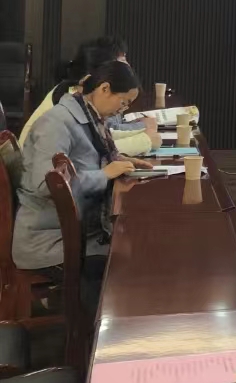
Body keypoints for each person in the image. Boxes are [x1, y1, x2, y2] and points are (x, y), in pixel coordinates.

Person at [14, 61, 153, 312]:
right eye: (123, 102)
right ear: (104, 88)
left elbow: (86, 160)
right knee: (127, 260)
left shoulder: (88, 115)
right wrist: (104, 174)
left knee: (137, 246)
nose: (121, 110)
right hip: (50, 239)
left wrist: (118, 160)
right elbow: (46, 184)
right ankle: (90, 329)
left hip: (76, 228)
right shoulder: (56, 123)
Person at [20, 37, 155, 157]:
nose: (128, 68)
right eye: (122, 64)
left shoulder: (88, 92)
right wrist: (144, 140)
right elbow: (90, 151)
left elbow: (106, 133)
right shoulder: (72, 97)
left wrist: (142, 129)